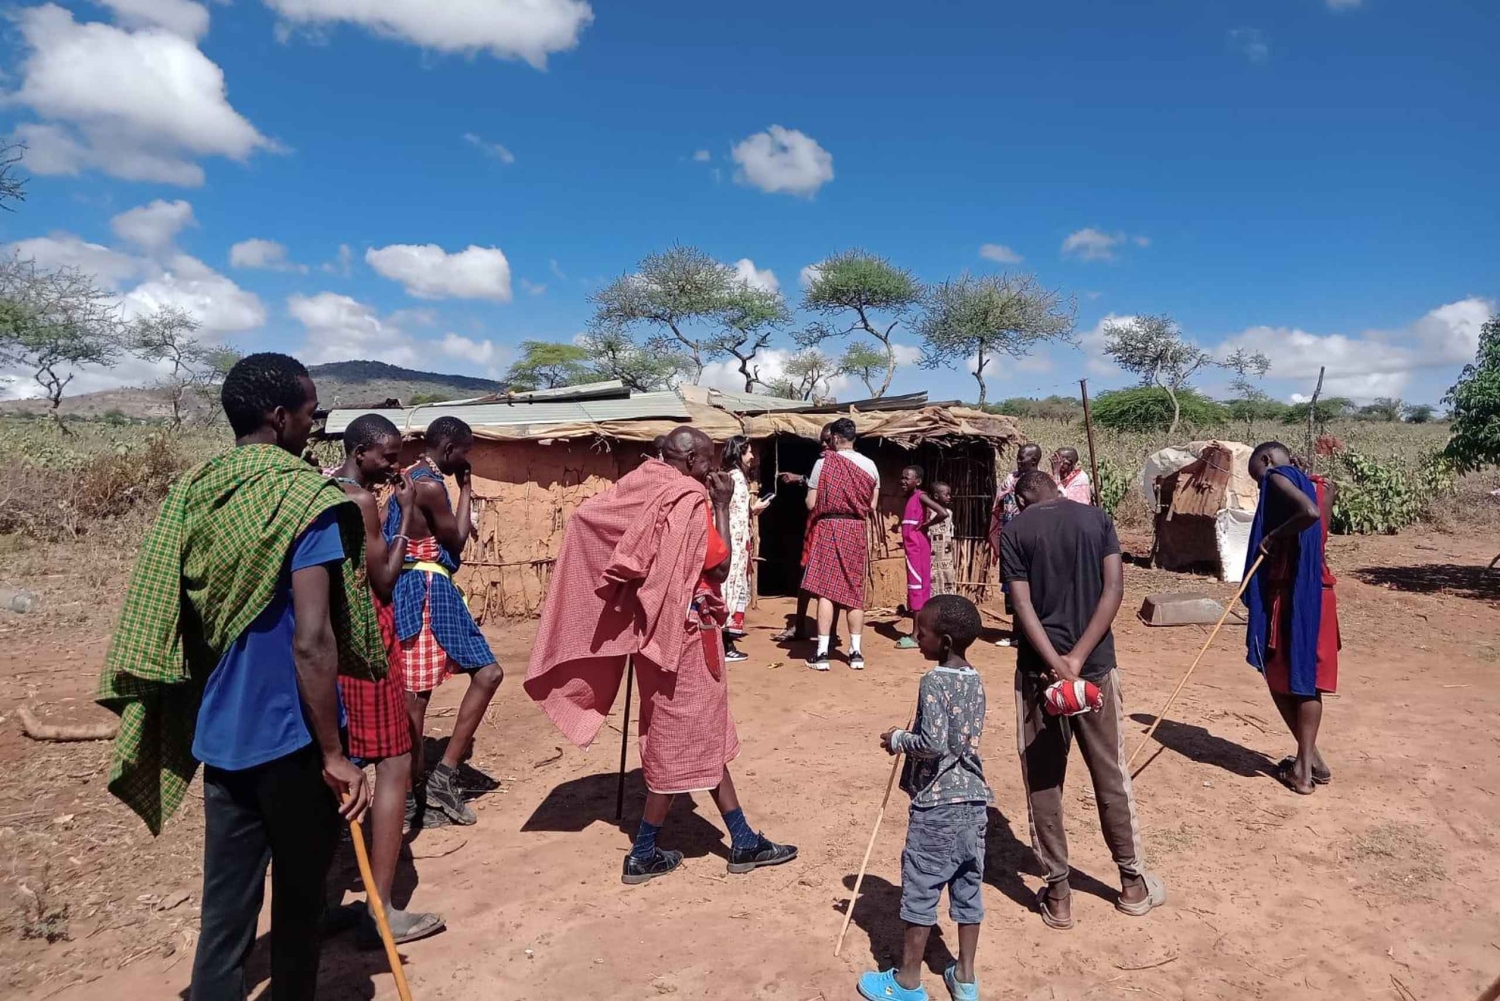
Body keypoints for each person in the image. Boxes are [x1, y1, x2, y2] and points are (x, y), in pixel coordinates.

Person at [99, 352, 384, 1001]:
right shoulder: (304, 499)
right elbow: (312, 640)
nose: (315, 426)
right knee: (297, 913)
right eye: (311, 413)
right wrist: (336, 754)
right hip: (295, 741)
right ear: (280, 417)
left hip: (222, 733)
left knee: (224, 912)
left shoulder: (198, 490)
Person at [526, 427, 798, 884]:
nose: (713, 469)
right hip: (686, 637)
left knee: (701, 731)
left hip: (652, 636)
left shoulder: (640, 483)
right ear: (690, 460)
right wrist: (722, 503)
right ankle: (645, 849)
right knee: (677, 736)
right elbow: (719, 565)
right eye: (708, 460)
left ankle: (744, 838)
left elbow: (586, 519)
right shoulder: (691, 501)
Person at [1001, 469, 1165, 930]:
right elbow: (1114, 590)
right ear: (1056, 486)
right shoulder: (1097, 519)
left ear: (1021, 497)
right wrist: (1077, 657)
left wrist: (1055, 661)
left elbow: (1021, 604)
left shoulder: (1015, 531)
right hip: (1095, 669)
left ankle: (1058, 894)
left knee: (1044, 780)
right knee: (1110, 772)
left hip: (1039, 674)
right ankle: (1132, 885)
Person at [326, 414, 444, 945]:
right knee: (394, 764)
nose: (395, 465)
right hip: (367, 644)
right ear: (360, 451)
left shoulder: (321, 486)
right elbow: (383, 576)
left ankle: (323, 905)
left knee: (337, 767)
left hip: (325, 648)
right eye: (388, 456)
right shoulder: (363, 500)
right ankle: (382, 908)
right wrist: (402, 515)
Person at [860, 595, 990, 1001]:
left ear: (945, 641)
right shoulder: (975, 679)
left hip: (937, 807)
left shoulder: (933, 682)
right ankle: (965, 977)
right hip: (974, 802)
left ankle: (907, 982)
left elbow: (932, 743)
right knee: (968, 887)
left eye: (922, 633)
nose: (916, 638)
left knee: (920, 887)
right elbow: (962, 738)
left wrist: (899, 739)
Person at [388, 416, 505, 827]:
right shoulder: (430, 485)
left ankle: (437, 778)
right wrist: (467, 487)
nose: (466, 460)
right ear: (452, 450)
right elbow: (455, 539)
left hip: (428, 589)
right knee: (415, 701)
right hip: (423, 593)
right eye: (465, 452)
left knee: (487, 674)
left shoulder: (410, 476)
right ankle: (406, 798)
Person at [1244, 441, 1340, 796]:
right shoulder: (1323, 485)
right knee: (1306, 679)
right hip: (1320, 594)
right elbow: (1319, 532)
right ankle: (1311, 760)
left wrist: (1272, 535)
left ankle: (1302, 769)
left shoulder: (1277, 478)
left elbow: (1308, 515)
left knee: (1280, 674)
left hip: (1293, 594)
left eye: (1258, 477)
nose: (1261, 486)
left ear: (1268, 461)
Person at [803, 417, 879, 671]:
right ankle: (856, 652)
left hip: (828, 527)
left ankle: (822, 653)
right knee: (854, 591)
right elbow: (872, 506)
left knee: (826, 590)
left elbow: (811, 503)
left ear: (835, 438)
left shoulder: (822, 464)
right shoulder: (870, 466)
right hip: (856, 529)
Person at [773, 421, 840, 643]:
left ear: (838, 439)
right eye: (821, 440)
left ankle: (830, 632)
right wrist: (802, 479)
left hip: (834, 527)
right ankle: (800, 626)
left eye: (827, 440)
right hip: (815, 526)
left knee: (834, 579)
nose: (823, 444)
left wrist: (800, 479)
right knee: (806, 572)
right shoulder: (822, 462)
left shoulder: (846, 463)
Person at [721, 435, 773, 662]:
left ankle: (726, 641)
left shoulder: (734, 478)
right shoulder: (735, 478)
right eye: (748, 451)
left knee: (732, 588)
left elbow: (735, 511)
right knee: (728, 590)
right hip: (732, 544)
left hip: (737, 543)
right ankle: (725, 644)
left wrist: (752, 510)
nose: (752, 456)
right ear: (739, 453)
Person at [989, 443, 1043, 646]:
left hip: (1034, 543)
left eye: (1022, 458)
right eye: (1018, 457)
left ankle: (1033, 636)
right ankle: (1016, 634)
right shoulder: (1010, 479)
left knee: (1035, 587)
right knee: (1012, 586)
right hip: (1011, 540)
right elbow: (999, 507)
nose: (1018, 461)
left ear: (1034, 461)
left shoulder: (1041, 482)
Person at [895, 465, 948, 650]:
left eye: (907, 478)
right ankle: (923, 632)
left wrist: (926, 525)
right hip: (917, 546)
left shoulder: (920, 496)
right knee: (920, 588)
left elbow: (943, 512)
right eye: (902, 477)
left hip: (916, 547)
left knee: (916, 588)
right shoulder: (912, 498)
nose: (903, 481)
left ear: (917, 481)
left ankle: (916, 635)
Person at [928, 481, 958, 598]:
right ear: (936, 496)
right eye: (946, 495)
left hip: (946, 554)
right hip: (932, 552)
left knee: (948, 574)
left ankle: (948, 599)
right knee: (933, 575)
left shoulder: (949, 513)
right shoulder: (928, 512)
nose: (949, 497)